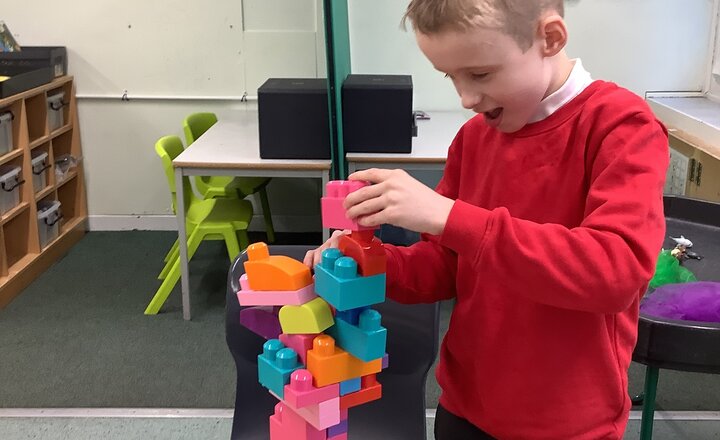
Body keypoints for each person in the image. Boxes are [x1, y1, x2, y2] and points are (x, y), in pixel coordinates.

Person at [305, 0, 668, 438]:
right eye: (451, 76)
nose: (466, 99)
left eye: (480, 74)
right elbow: (448, 265)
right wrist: (369, 263)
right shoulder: (474, 138)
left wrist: (449, 217)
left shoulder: (621, 126)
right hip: (465, 409)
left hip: (567, 423)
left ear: (550, 39)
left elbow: (615, 272)